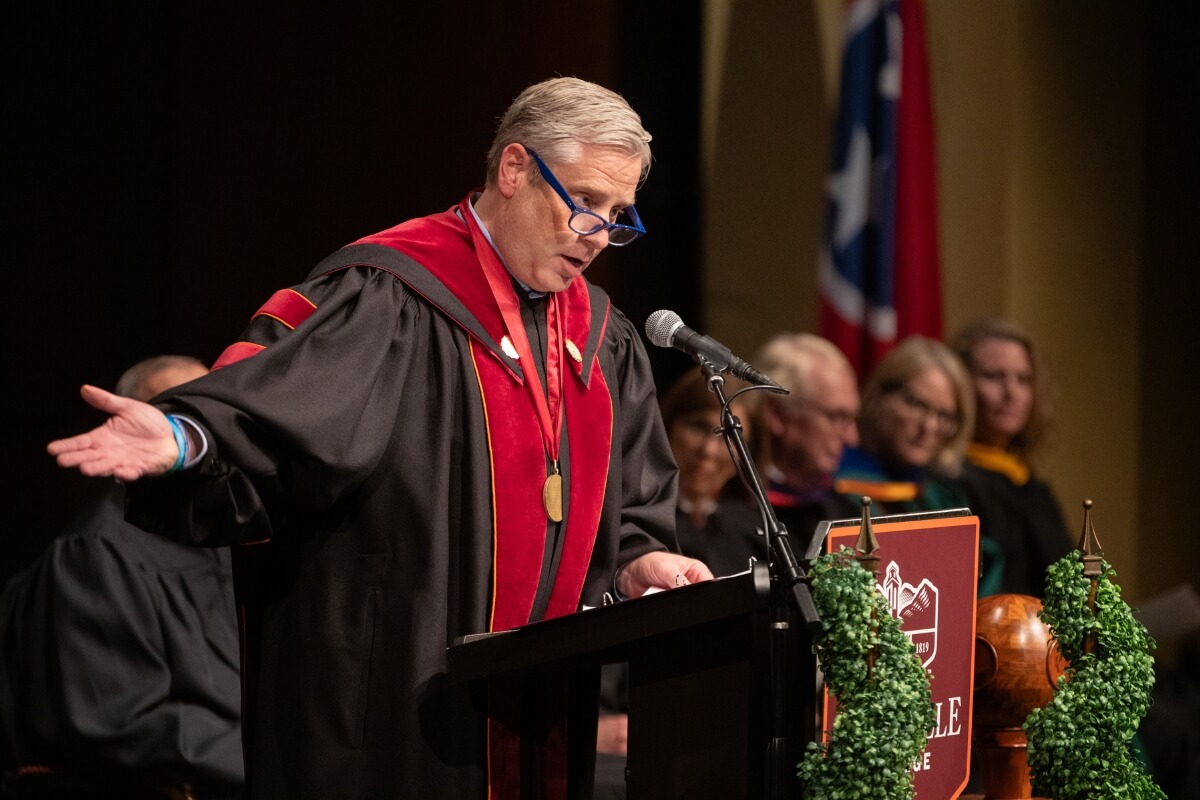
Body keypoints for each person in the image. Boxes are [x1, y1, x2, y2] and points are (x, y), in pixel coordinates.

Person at [47, 77, 711, 799]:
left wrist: (635, 567)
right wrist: (188, 437)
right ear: (515, 169)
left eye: (619, 216)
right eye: (585, 203)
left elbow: (633, 507)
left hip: (541, 714)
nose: (599, 238)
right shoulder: (391, 292)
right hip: (390, 713)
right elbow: (277, 409)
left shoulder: (601, 338)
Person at [1, 355, 242, 800]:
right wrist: (261, 755)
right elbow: (120, 720)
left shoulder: (232, 537)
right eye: (176, 419)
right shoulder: (97, 553)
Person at [950, 317, 1073, 597]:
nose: (1011, 393)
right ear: (960, 384)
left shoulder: (1030, 485)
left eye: (1023, 379)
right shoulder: (949, 485)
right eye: (994, 376)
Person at [833, 334, 974, 522]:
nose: (929, 426)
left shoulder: (943, 495)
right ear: (878, 396)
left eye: (944, 416)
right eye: (917, 405)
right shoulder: (836, 485)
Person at [753, 332, 862, 552]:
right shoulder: (724, 514)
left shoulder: (849, 514)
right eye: (836, 417)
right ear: (778, 414)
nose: (852, 438)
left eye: (851, 419)